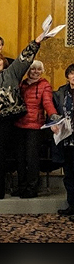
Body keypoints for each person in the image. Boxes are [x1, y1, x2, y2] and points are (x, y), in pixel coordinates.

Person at [0, 32, 47, 200]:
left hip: (2, 120)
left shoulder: (11, 73)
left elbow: (24, 58)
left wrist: (37, 41)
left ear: (3, 63)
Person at [14, 60, 59, 198]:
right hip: (19, 124)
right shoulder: (21, 84)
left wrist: (53, 116)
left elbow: (47, 102)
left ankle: (32, 188)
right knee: (20, 158)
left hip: (35, 126)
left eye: (38, 69)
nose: (35, 72)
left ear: (42, 71)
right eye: (32, 69)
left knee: (31, 158)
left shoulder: (44, 85)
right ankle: (21, 186)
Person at [53, 64, 74, 216]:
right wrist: (54, 124)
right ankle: (72, 206)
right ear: (67, 76)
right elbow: (53, 111)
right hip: (67, 139)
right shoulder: (61, 92)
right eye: (72, 73)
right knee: (69, 175)